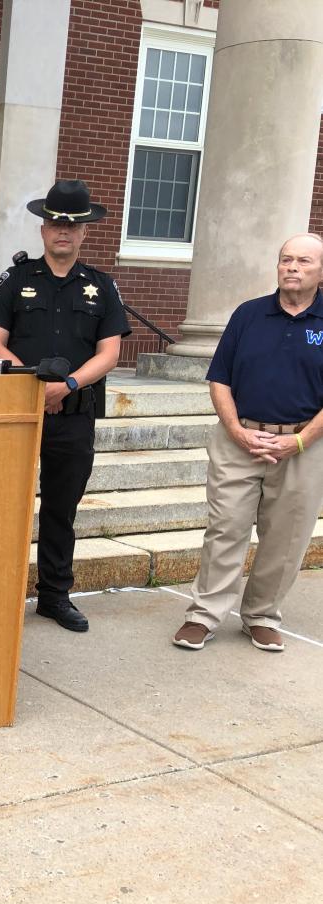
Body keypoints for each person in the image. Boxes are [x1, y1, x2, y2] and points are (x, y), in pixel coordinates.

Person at [0, 179, 130, 634]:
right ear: (43, 229)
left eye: (72, 225)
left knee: (62, 507)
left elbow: (109, 353)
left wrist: (65, 385)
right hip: (18, 413)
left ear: (84, 232)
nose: (62, 232)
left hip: (75, 414)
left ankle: (54, 596)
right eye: (54, 223)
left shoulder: (101, 286)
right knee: (5, 504)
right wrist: (34, 386)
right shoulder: (16, 279)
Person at [173, 234, 323, 653]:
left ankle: (261, 616)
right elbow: (219, 378)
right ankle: (202, 616)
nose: (292, 267)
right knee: (226, 528)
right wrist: (238, 431)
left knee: (287, 535)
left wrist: (298, 441)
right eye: (285, 260)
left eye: (304, 261)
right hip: (239, 439)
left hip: (303, 445)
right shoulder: (248, 315)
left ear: (321, 272)